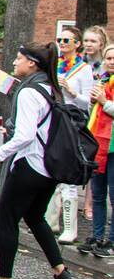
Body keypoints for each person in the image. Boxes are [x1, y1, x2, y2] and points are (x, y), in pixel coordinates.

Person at [0, 42, 78, 279]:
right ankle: (61, 272)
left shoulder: (29, 91)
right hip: (50, 168)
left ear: (32, 63)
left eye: (19, 59)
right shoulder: (51, 88)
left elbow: (26, 135)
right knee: (35, 217)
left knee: (8, 219)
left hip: (30, 165)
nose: (14, 63)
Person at [53, 24, 91, 244]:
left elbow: (87, 101)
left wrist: (71, 90)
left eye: (67, 40)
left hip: (73, 122)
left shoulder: (83, 69)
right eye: (60, 40)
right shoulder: (56, 65)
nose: (62, 44)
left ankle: (71, 228)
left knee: (68, 175)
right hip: (56, 120)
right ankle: (51, 221)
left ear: (77, 44)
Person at [79, 44, 114, 258]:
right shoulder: (103, 82)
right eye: (109, 58)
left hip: (113, 148)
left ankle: (111, 240)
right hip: (99, 146)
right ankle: (97, 235)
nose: (111, 61)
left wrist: (104, 102)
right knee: (98, 194)